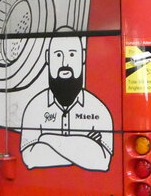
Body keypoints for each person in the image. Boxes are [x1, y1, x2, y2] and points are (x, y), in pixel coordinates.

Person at [19, 26, 113, 171]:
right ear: (47, 58)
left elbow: (102, 161)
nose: (65, 63)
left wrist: (46, 138)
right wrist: (86, 146)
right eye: (58, 55)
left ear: (82, 57)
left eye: (71, 55)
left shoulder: (99, 110)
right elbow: (30, 157)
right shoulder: (34, 107)